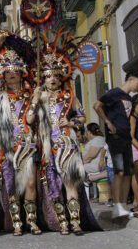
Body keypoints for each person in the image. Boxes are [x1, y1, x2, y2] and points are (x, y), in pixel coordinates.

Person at [36, 32, 101, 234]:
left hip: (67, 146)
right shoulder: (39, 97)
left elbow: (82, 118)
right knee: (54, 187)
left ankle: (75, 222)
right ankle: (61, 222)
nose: (52, 79)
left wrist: (71, 122)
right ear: (43, 79)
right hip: (48, 147)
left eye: (55, 75)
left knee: (70, 184)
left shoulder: (69, 96)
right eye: (48, 76)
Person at [0, 35, 40, 236]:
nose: (11, 74)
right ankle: (16, 222)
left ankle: (32, 220)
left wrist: (36, 99)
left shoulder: (30, 94)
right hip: (7, 147)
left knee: (29, 183)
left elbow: (30, 120)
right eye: (7, 71)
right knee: (11, 185)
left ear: (22, 72)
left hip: (27, 144)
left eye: (15, 70)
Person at [93, 70, 138, 219]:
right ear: (130, 79)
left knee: (128, 172)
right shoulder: (114, 93)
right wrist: (108, 122)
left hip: (126, 137)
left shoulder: (128, 98)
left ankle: (123, 205)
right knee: (120, 171)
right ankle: (117, 205)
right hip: (115, 137)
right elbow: (97, 105)